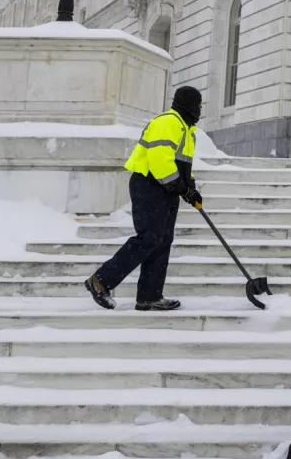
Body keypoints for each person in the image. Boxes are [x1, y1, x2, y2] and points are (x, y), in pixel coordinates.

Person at [85, 86, 203, 311]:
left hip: (166, 189)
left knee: (162, 241)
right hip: (149, 185)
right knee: (149, 238)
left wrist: (191, 188)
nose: (199, 110)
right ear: (187, 104)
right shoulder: (167, 122)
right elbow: (160, 160)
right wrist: (180, 186)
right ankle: (100, 280)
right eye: (197, 105)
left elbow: (184, 166)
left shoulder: (186, 130)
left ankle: (149, 296)